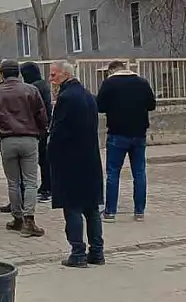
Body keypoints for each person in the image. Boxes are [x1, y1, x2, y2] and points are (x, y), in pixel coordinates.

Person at [47, 61, 104, 268]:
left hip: (70, 161)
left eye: (54, 75)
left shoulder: (66, 98)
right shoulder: (88, 95)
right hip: (90, 158)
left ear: (65, 75)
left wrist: (50, 154)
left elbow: (58, 131)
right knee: (92, 208)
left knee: (72, 207)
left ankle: (78, 253)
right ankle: (97, 251)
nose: (51, 79)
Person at [0, 59, 49, 237]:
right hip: (29, 138)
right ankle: (29, 220)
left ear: (2, 74)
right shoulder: (31, 90)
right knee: (30, 181)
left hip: (7, 140)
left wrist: (0, 132)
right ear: (18, 73)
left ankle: (17, 218)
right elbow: (41, 114)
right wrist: (39, 131)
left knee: (13, 182)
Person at [97, 60, 156, 222]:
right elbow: (152, 105)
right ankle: (139, 212)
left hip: (117, 134)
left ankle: (110, 212)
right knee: (139, 173)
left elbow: (99, 106)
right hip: (139, 134)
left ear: (112, 71)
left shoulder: (109, 83)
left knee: (113, 173)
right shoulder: (142, 82)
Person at [19, 62, 53, 204]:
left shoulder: (36, 87)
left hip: (38, 128)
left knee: (42, 160)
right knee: (43, 160)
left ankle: (47, 188)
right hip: (43, 127)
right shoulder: (42, 84)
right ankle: (46, 186)